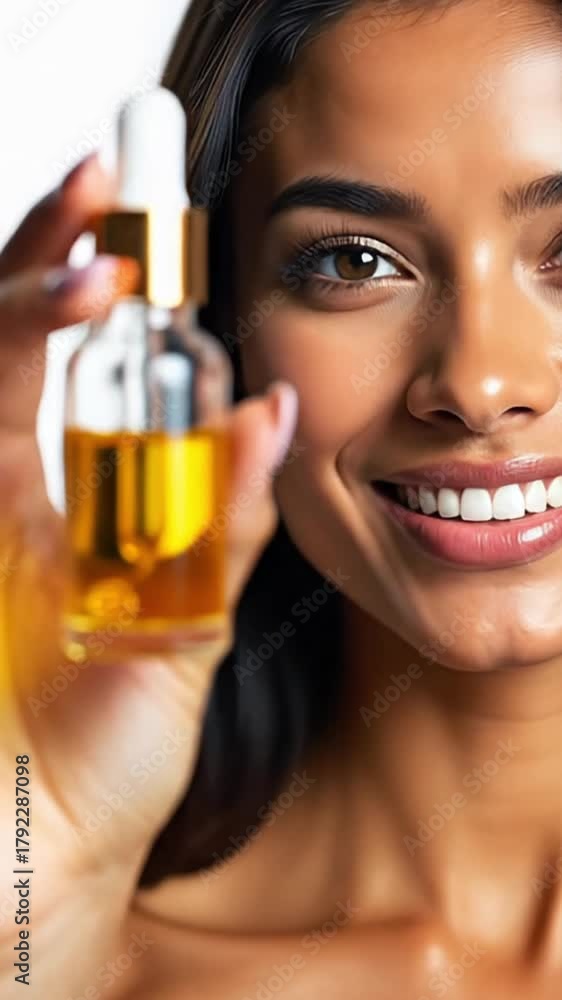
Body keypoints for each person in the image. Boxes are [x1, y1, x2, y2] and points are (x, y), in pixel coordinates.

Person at [1, 0, 562, 995]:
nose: (479, 384)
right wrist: (23, 904)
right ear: (225, 336)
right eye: (352, 262)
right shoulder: (81, 965)